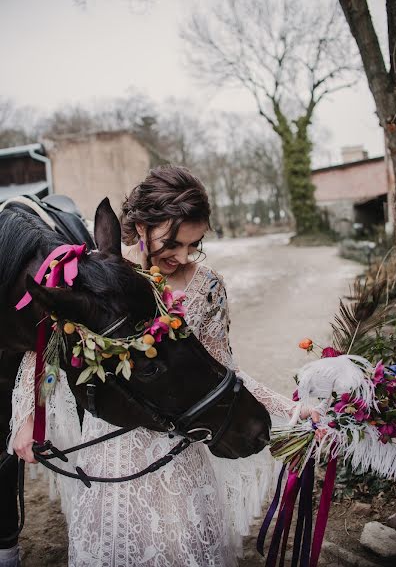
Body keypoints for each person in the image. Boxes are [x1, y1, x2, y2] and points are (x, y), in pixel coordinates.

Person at [10, 166, 301, 567]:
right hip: (110, 453)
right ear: (143, 224)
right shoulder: (100, 273)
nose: (182, 256)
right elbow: (41, 346)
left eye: (194, 245)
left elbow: (223, 370)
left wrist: (291, 410)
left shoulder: (208, 286)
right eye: (175, 243)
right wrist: (28, 418)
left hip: (177, 451)